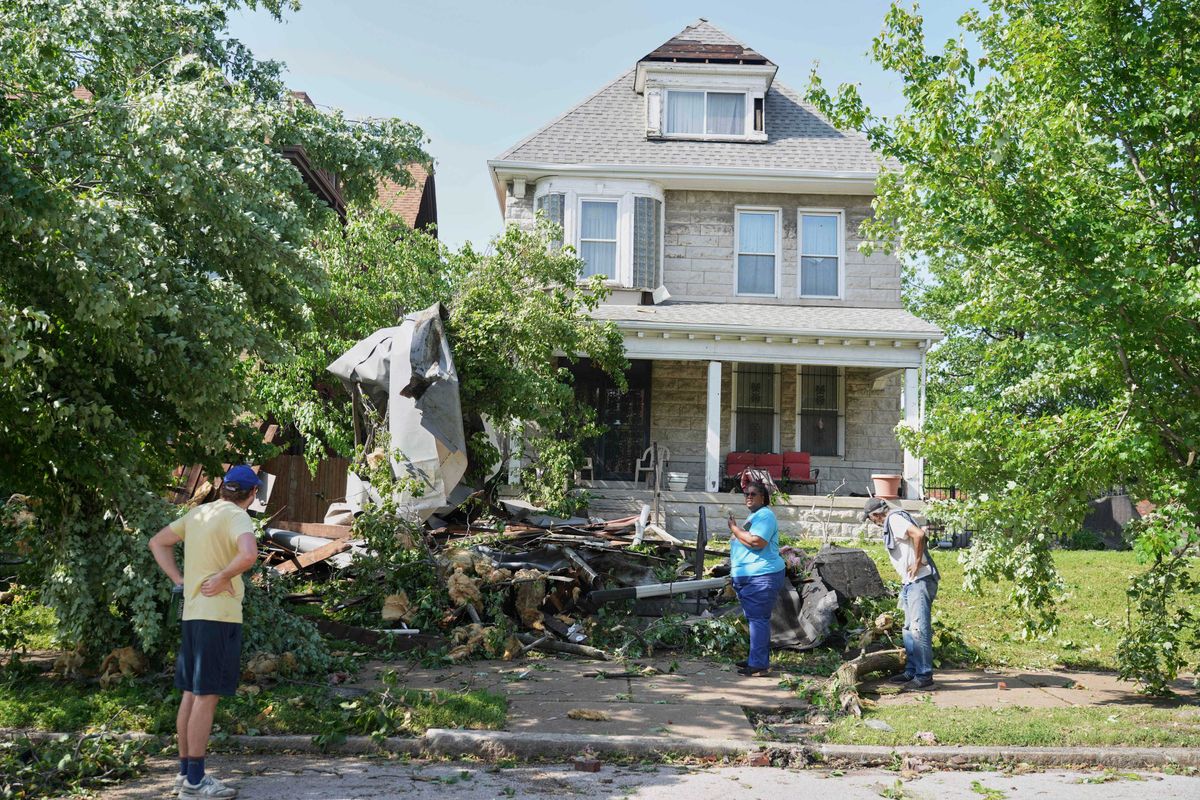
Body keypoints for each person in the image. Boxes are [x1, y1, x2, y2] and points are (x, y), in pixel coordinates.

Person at [148, 465, 262, 798]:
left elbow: (158, 542)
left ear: (224, 488)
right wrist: (225, 576)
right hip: (219, 617)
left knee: (190, 693)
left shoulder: (198, 514)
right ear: (252, 494)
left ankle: (185, 775)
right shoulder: (238, 518)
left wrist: (180, 580)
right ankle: (196, 782)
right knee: (206, 696)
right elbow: (249, 554)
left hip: (193, 615)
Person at [863, 497, 939, 691]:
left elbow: (919, 535)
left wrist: (917, 562)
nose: (874, 523)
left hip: (920, 581)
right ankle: (912, 671)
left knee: (918, 629)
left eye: (871, 519)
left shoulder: (894, 519)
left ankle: (924, 676)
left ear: (876, 515)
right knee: (908, 628)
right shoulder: (894, 520)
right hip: (910, 583)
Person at [726, 479, 786, 677]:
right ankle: (756, 659)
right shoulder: (755, 517)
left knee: (758, 619)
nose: (749, 497)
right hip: (750, 576)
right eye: (746, 494)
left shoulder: (766, 515)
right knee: (755, 619)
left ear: (763, 498)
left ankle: (759, 664)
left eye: (753, 494)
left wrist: (734, 529)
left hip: (761, 575)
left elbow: (757, 541)